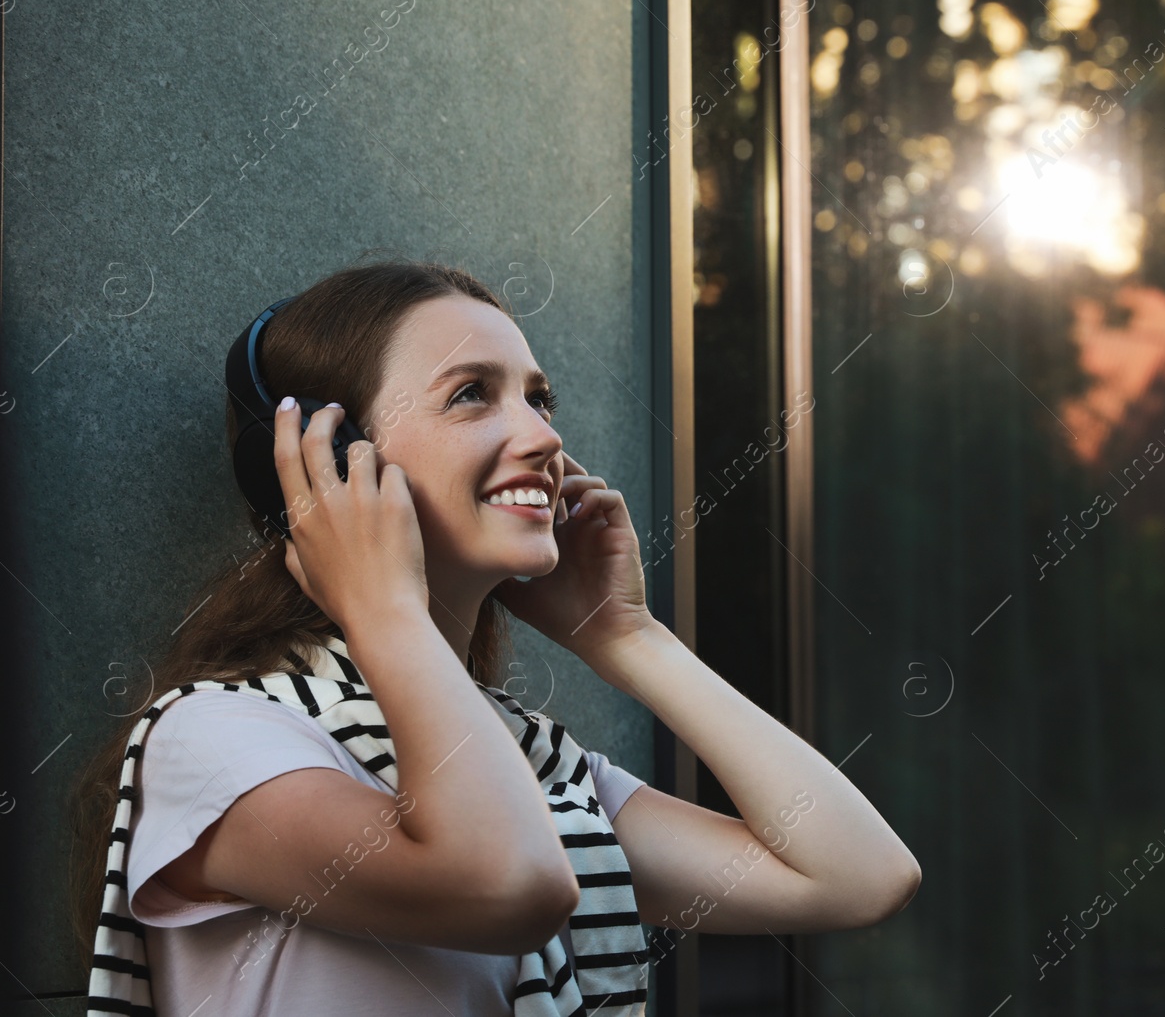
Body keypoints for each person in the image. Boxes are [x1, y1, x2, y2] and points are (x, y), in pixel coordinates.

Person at [69, 257, 921, 1015]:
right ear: (335, 460)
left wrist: (628, 637)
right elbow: (511, 885)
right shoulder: (218, 740)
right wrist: (389, 609)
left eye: (539, 397)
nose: (546, 438)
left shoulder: (533, 771)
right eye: (471, 392)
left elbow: (857, 875)